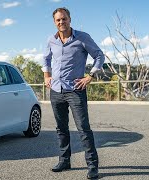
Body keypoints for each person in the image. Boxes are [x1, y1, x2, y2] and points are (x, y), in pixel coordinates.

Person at [42, 7, 105, 179]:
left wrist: (90, 76)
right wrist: (47, 76)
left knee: (83, 129)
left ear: (70, 19)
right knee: (61, 129)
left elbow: (99, 55)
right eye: (58, 20)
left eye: (64, 19)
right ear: (54, 22)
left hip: (75, 90)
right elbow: (45, 58)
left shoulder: (82, 37)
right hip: (56, 90)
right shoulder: (51, 40)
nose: (61, 22)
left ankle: (92, 166)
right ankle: (64, 160)